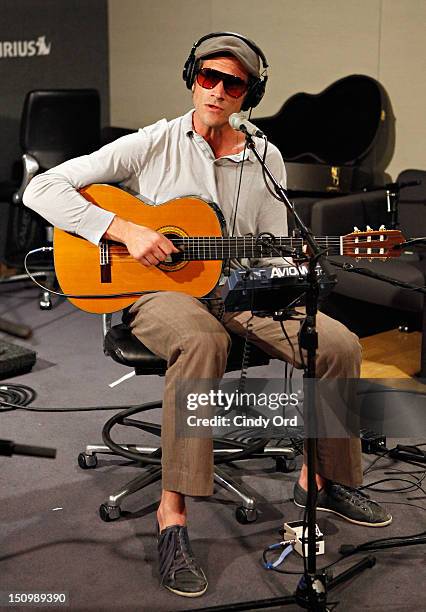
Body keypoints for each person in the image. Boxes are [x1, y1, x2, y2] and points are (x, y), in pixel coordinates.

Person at [23, 32, 391, 599]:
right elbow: (42, 188)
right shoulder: (151, 143)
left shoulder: (263, 155)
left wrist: (292, 265)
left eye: (233, 83)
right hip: (155, 295)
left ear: (250, 93)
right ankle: (173, 516)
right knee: (201, 341)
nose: (217, 90)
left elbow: (268, 244)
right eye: (208, 77)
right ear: (192, 78)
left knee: (339, 344)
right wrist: (123, 229)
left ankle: (322, 476)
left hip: (237, 288)